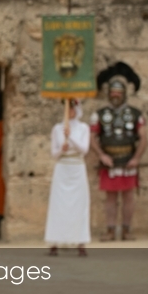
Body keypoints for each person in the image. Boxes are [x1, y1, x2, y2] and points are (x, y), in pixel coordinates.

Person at [89, 75, 147, 241]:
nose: (115, 95)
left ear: (124, 94)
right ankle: (110, 230)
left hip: (128, 159)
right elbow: (92, 137)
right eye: (112, 92)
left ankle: (126, 230)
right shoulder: (99, 114)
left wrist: (136, 158)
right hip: (109, 161)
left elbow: (144, 138)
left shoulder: (136, 114)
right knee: (110, 197)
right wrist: (101, 155)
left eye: (118, 92)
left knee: (128, 196)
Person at [45, 101, 91, 256]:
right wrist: (61, 150)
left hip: (77, 167)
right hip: (62, 167)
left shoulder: (84, 128)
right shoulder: (57, 129)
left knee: (79, 205)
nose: (70, 111)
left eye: (72, 108)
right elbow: (54, 153)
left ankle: (80, 241)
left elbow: (84, 149)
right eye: (67, 108)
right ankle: (55, 241)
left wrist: (70, 137)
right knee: (59, 204)